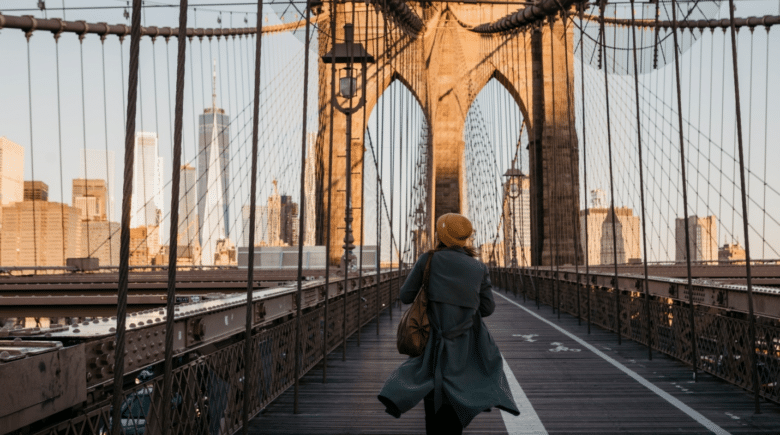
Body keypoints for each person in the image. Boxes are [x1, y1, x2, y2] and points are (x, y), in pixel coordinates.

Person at [378, 213, 519, 434]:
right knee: (457, 398)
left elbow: (406, 296)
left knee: (433, 400)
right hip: (465, 346)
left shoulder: (428, 260)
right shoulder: (478, 268)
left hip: (432, 344)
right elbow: (487, 308)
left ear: (440, 235)